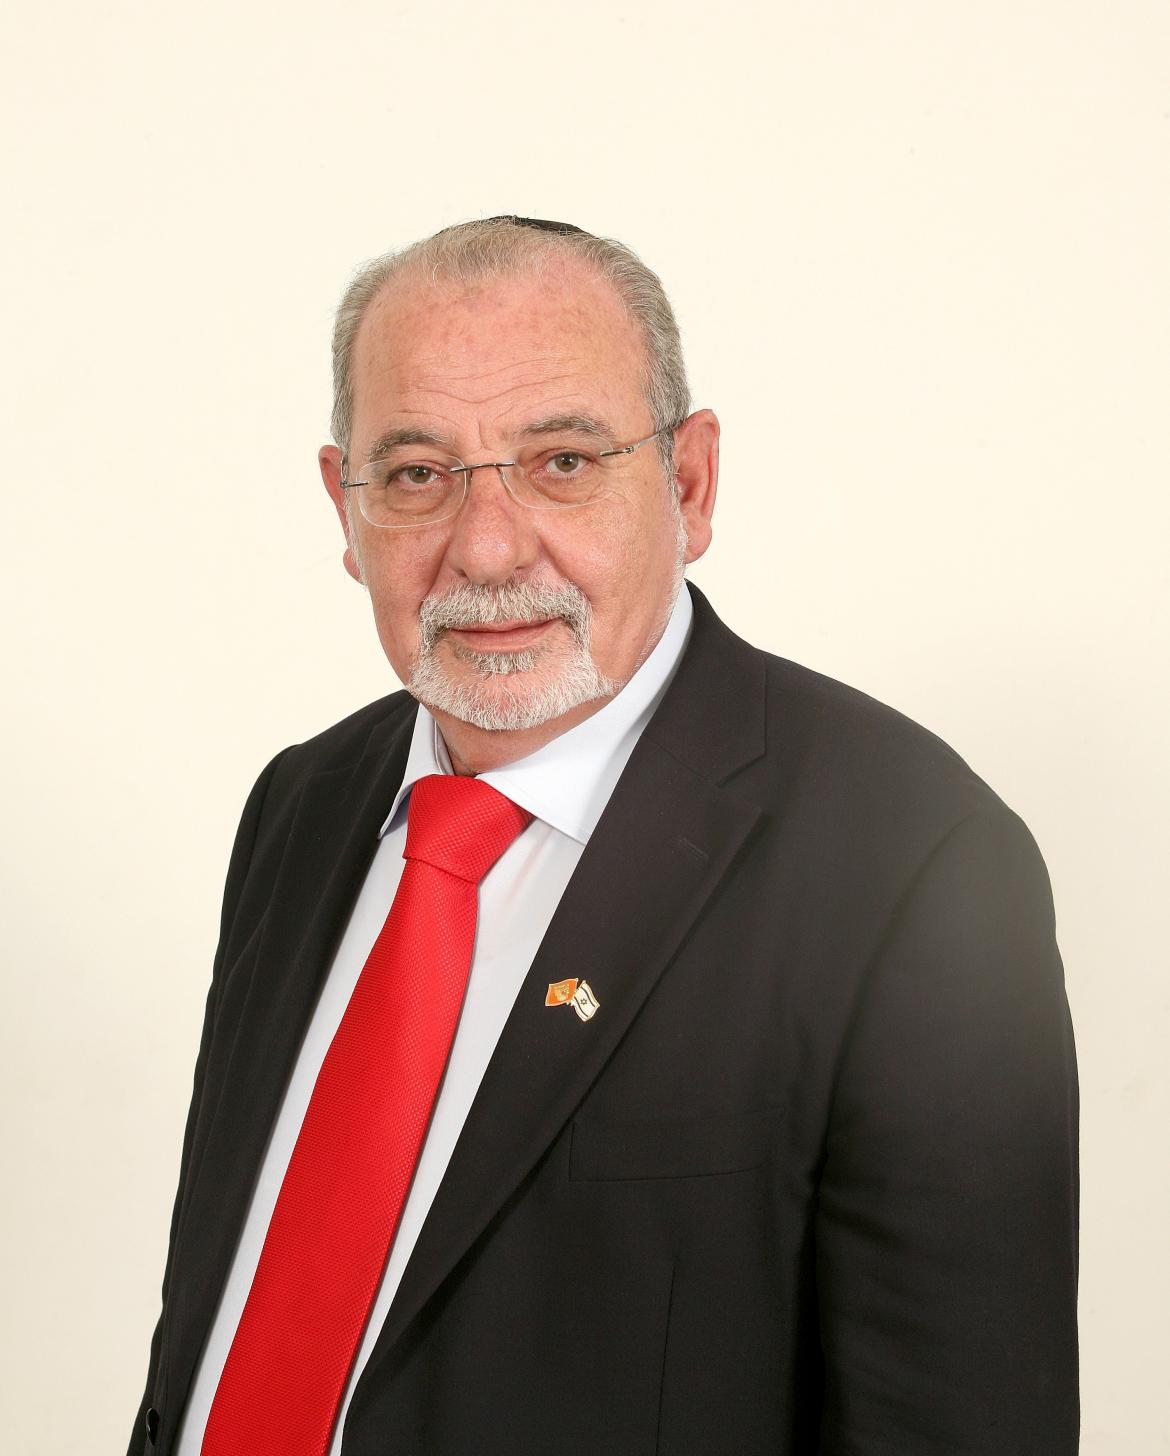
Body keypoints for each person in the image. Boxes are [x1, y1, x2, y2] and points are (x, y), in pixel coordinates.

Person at [129, 217, 1079, 1456]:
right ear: (344, 506)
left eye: (563, 461)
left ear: (689, 484)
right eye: (416, 474)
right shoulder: (300, 807)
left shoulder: (914, 864)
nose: (486, 547)